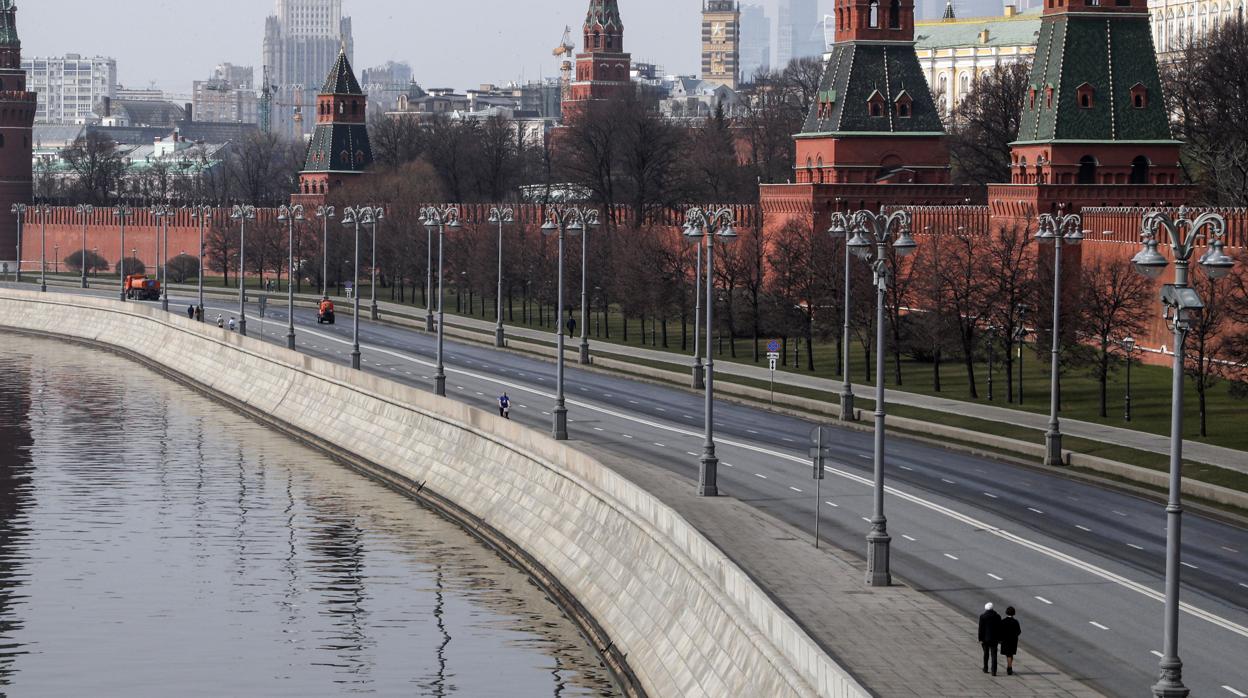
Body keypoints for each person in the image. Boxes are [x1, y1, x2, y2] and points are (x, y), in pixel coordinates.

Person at [978, 602, 1001, 676]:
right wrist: (1000, 639)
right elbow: (999, 628)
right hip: (994, 639)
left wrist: (980, 638)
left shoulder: (983, 616)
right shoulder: (997, 616)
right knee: (994, 655)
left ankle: (985, 668)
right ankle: (994, 671)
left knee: (986, 653)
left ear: (985, 608)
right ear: (992, 608)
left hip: (985, 639)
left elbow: (981, 629)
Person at [999, 606, 1021, 675]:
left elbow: (1000, 631)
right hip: (1013, 640)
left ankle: (1009, 667)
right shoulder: (1015, 622)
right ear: (1014, 613)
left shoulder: (1003, 621)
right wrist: (1015, 636)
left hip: (1005, 640)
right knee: (1010, 654)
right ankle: (1009, 667)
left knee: (1008, 654)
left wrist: (1000, 639)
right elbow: (1019, 631)